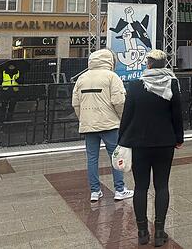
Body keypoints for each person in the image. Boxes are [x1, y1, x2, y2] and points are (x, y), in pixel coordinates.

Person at [119, 50, 184, 247]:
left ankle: (141, 233)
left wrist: (122, 139)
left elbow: (127, 115)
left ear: (147, 64)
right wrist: (178, 138)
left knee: (140, 187)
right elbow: (177, 115)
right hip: (165, 143)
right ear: (165, 65)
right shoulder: (172, 83)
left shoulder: (136, 85)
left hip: (139, 143)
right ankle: (159, 232)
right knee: (162, 186)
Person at [72, 49, 134, 203]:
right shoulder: (112, 77)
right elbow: (119, 101)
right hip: (109, 124)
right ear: (110, 61)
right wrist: (122, 119)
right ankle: (119, 190)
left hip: (89, 125)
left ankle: (95, 191)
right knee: (116, 156)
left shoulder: (82, 78)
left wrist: (84, 119)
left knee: (92, 158)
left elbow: (75, 103)